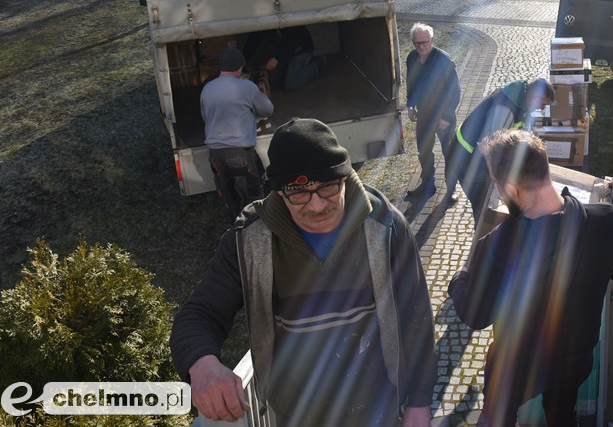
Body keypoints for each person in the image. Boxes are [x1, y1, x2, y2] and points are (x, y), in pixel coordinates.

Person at [170, 118, 435, 427]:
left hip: (378, 407)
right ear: (280, 193)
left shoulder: (386, 227)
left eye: (327, 187)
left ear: (346, 179)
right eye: (298, 193)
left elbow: (417, 317)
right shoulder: (250, 239)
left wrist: (419, 403)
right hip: (295, 414)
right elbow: (200, 313)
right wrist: (201, 365)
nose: (317, 204)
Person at [448, 129, 613, 426]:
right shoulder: (606, 221)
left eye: (498, 187)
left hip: (514, 369)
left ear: (512, 190)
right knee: (563, 416)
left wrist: (459, 278)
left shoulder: (497, 244)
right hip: (575, 361)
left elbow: (476, 315)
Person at [446, 78, 553, 222]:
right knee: (484, 208)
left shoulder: (522, 97)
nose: (542, 109)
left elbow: (520, 132)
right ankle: (482, 238)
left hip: (474, 156)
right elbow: (492, 149)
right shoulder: (506, 109)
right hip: (466, 160)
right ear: (535, 97)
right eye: (542, 104)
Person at [200, 47, 274, 223]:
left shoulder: (207, 89)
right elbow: (267, 109)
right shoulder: (246, 87)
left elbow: (206, 117)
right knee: (250, 196)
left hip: (215, 154)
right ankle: (252, 230)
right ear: (240, 67)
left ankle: (235, 229)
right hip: (238, 152)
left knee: (229, 195)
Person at [405, 23, 460, 201]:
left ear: (432, 40)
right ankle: (428, 185)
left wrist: (447, 116)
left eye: (424, 42)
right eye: (417, 43)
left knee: (449, 152)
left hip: (443, 114)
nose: (421, 47)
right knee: (424, 151)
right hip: (424, 114)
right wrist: (411, 105)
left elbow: (455, 90)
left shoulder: (444, 61)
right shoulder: (412, 58)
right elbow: (410, 84)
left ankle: (451, 189)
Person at [243, 25, 324, 92]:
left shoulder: (286, 19)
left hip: (301, 51)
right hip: (283, 54)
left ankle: (318, 64)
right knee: (273, 79)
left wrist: (276, 59)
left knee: (291, 85)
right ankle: (292, 70)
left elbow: (293, 43)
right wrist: (243, 62)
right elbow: (253, 41)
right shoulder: (264, 23)